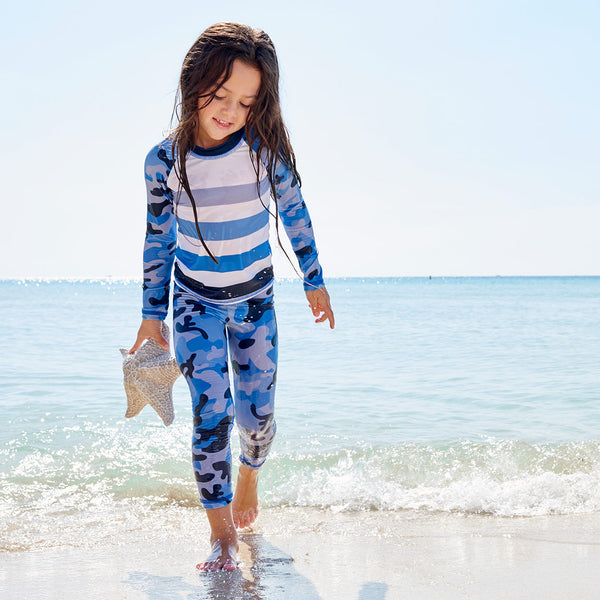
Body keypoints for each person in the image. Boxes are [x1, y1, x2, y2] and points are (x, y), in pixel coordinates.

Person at [129, 22, 334, 572]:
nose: (230, 110)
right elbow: (158, 240)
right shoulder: (164, 162)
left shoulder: (264, 153)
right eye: (220, 95)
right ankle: (220, 535)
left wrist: (314, 279)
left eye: (246, 101)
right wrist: (152, 318)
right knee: (210, 414)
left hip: (255, 302)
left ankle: (250, 476)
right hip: (194, 303)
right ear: (193, 82)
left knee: (257, 414)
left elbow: (295, 213)